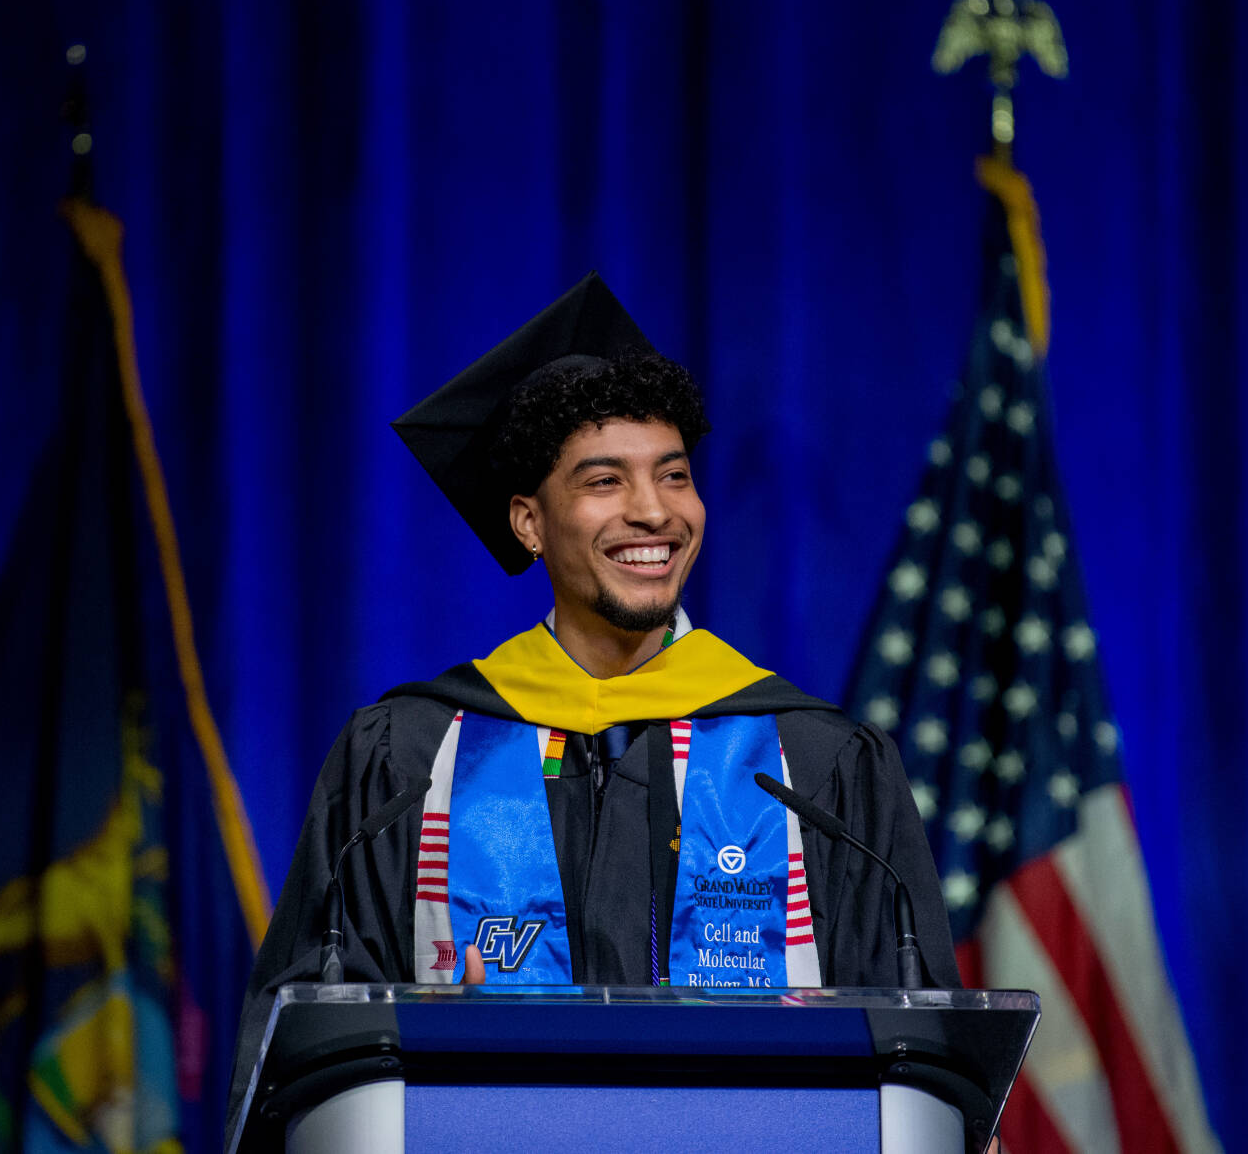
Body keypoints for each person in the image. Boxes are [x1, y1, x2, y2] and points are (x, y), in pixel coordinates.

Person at [226, 273, 961, 1131]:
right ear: (529, 523)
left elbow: (914, 1059)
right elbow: (306, 1062)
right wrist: (418, 1041)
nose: (653, 512)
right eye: (605, 481)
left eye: (674, 475)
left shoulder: (814, 765)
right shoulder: (412, 759)